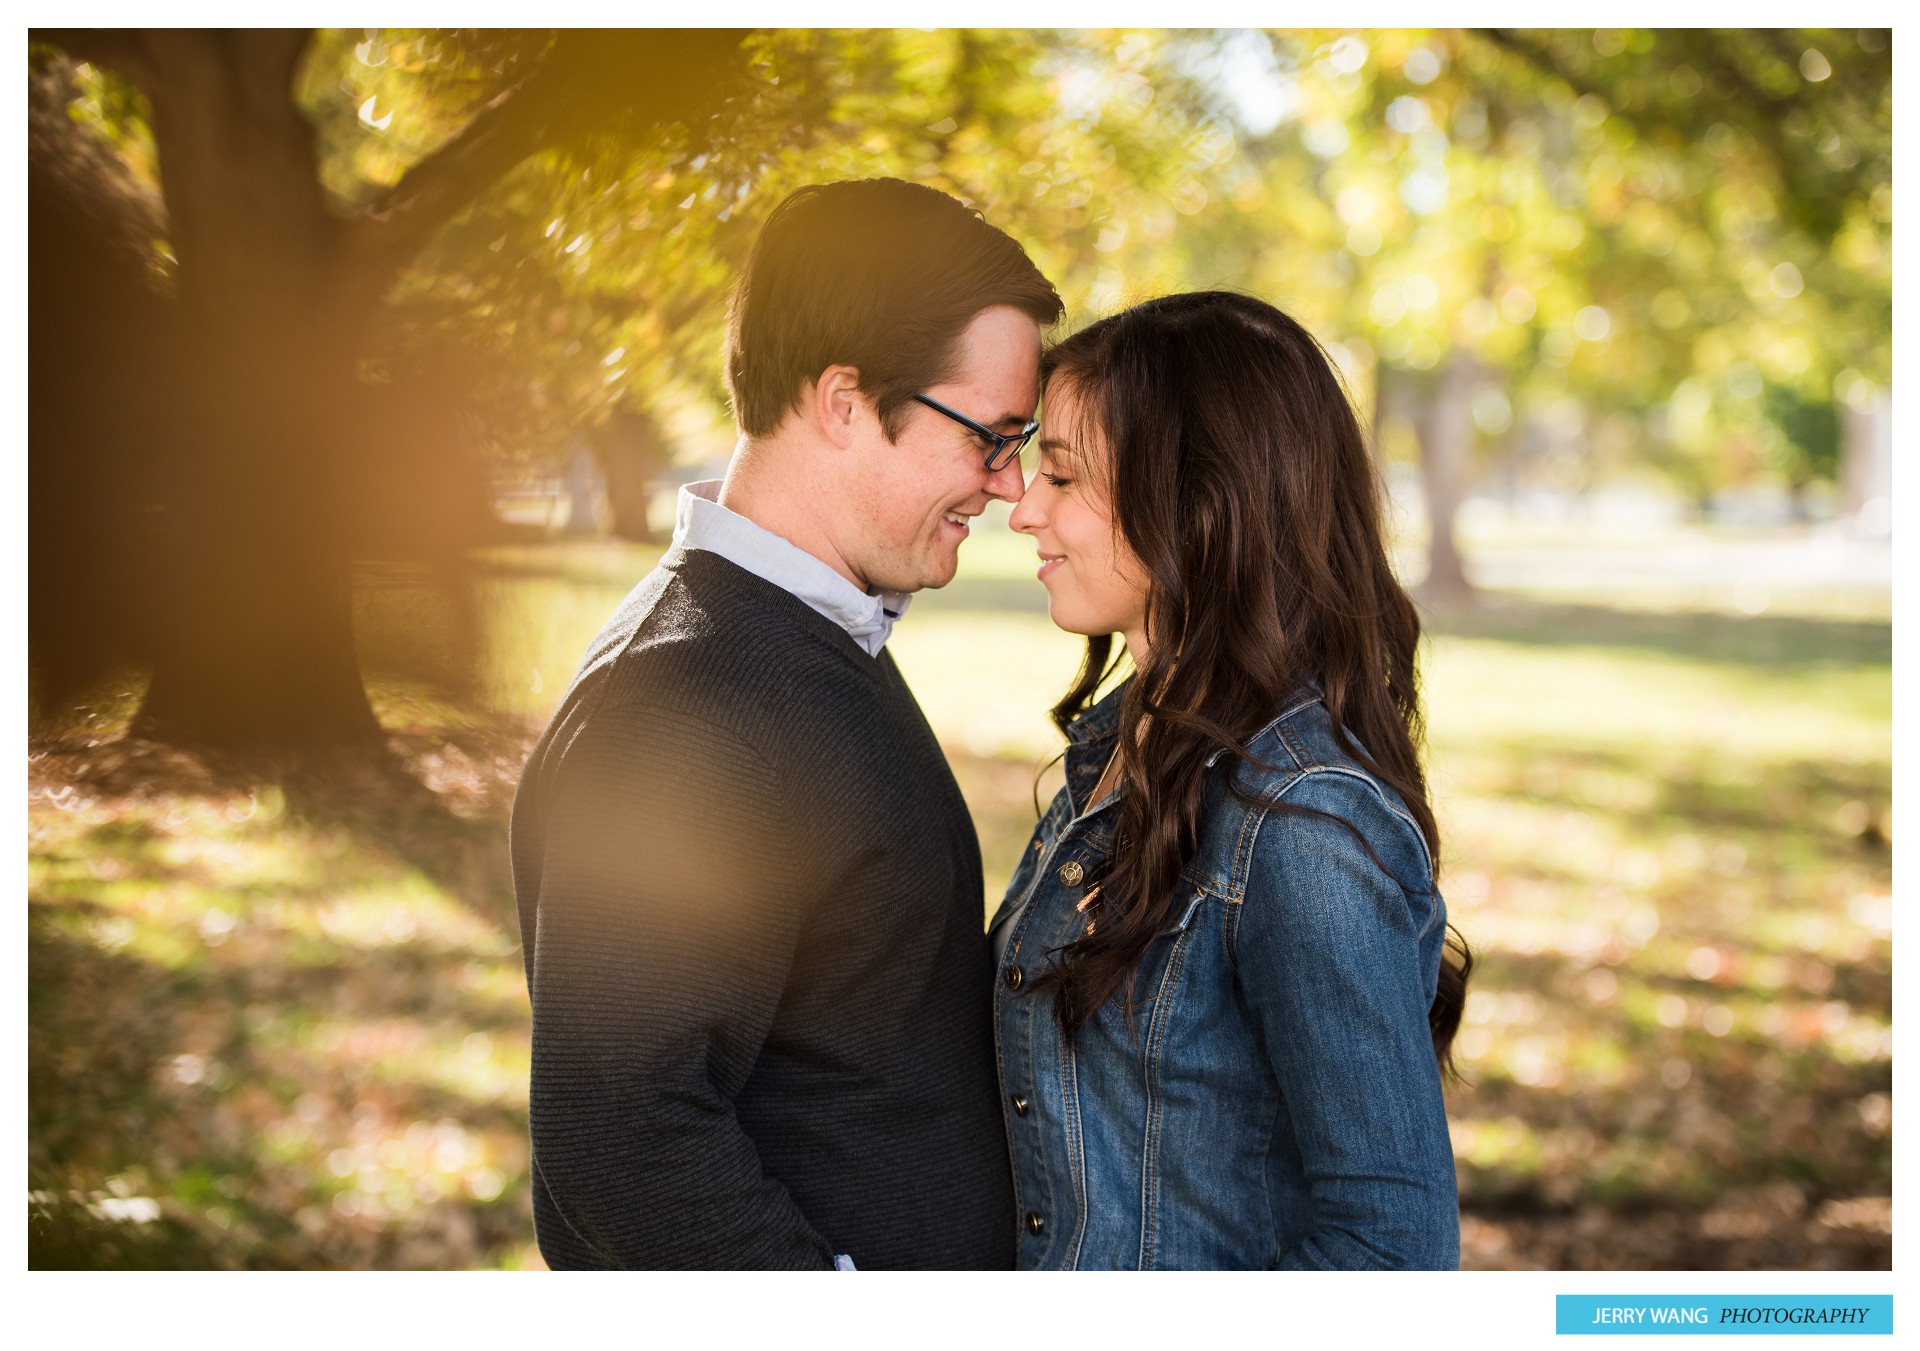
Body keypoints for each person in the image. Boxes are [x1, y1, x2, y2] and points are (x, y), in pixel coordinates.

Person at [510, 178, 1062, 1269]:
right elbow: (618, 1133)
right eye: (989, 438)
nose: (1006, 485)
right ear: (845, 400)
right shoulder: (692, 707)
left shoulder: (797, 641)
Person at [994, 291, 1470, 1269]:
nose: (1022, 506)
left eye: (1063, 474)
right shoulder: (1115, 750)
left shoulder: (1302, 823)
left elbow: (1391, 1252)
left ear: (1196, 498)